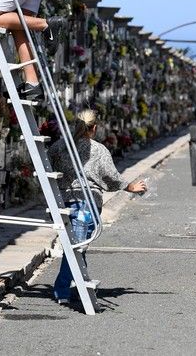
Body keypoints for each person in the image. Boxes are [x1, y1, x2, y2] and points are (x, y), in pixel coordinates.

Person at [48, 109, 147, 304]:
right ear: (94, 128)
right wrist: (130, 187)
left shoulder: (60, 146)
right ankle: (61, 290)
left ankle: (80, 284)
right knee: (78, 247)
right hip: (87, 202)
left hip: (63, 201)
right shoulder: (98, 150)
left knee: (76, 244)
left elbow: (48, 166)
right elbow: (111, 176)